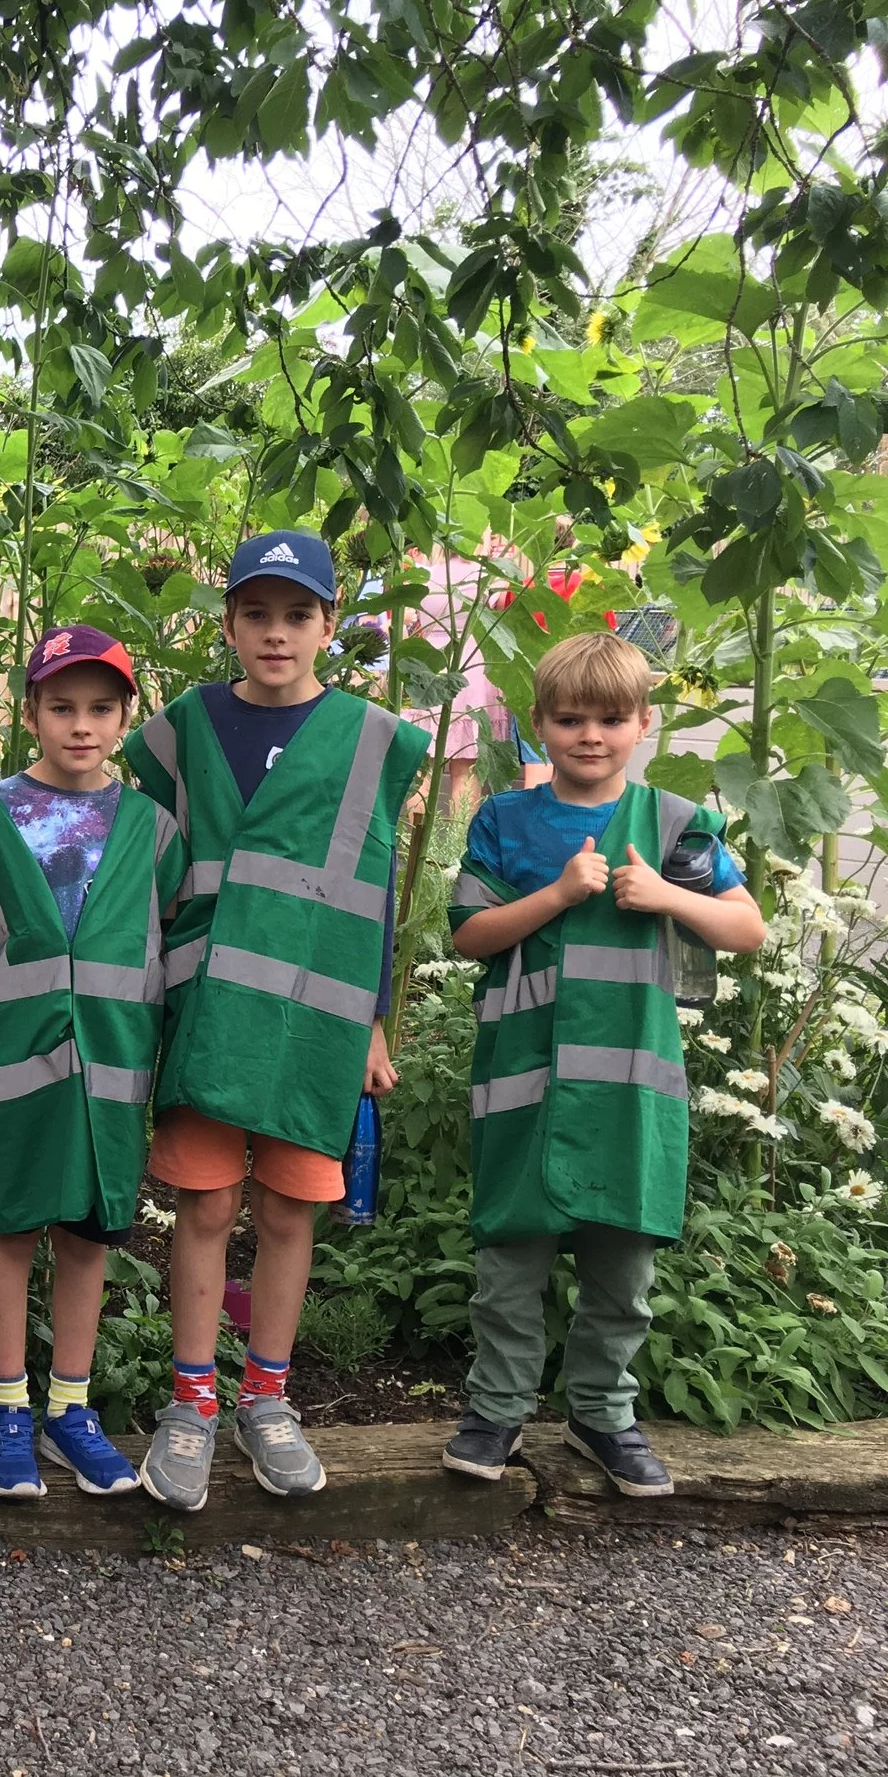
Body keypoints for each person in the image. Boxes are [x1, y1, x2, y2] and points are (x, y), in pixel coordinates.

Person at [121, 531, 432, 1512]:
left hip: (314, 1021)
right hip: (209, 1009)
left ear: (329, 628)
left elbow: (373, 888)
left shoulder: (374, 737)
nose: (275, 631)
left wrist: (376, 1020)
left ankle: (268, 1398)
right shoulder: (181, 728)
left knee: (293, 1211)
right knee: (205, 1209)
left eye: (297, 614)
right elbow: (150, 864)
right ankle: (191, 1402)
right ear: (227, 624)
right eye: (255, 613)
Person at [444, 632, 763, 1494]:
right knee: (510, 1262)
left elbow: (747, 927)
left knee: (623, 1270)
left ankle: (601, 1416)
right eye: (571, 718)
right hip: (526, 1084)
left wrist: (664, 893)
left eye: (612, 718)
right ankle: (498, 1411)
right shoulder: (505, 821)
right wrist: (556, 894)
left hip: (629, 1088)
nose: (591, 735)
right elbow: (468, 933)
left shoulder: (674, 826)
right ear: (539, 725)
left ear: (644, 723)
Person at [0, 628, 185, 1500]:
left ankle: (70, 1406)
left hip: (111, 1064)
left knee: (90, 1232)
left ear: (123, 717)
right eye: (60, 706)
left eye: (100, 709)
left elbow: (162, 926)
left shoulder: (150, 827)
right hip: (13, 1064)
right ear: (29, 711)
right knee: (11, 1223)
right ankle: (3, 1408)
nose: (80, 725)